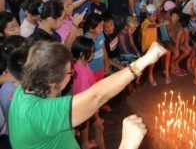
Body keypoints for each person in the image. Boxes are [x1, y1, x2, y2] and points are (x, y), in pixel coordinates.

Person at [8, 40, 167, 149]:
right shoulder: (41, 113)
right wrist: (127, 144)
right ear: (51, 81)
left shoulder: (24, 91)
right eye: (70, 71)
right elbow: (97, 96)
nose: (73, 75)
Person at [71, 37, 105, 149]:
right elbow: (85, 97)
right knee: (99, 127)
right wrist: (95, 107)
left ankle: (85, 143)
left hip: (84, 104)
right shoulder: (82, 75)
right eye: (91, 52)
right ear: (81, 54)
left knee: (86, 124)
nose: (93, 54)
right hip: (86, 105)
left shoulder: (80, 63)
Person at [140, 4, 170, 86]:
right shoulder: (145, 23)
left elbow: (154, 36)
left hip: (154, 46)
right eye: (153, 16)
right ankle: (150, 75)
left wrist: (160, 43)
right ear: (147, 16)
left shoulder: (153, 21)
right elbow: (152, 26)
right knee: (154, 57)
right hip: (147, 48)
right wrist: (163, 23)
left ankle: (166, 72)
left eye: (155, 16)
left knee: (168, 52)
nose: (155, 18)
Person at [83, 13, 108, 82]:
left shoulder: (100, 35)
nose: (102, 29)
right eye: (100, 28)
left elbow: (104, 50)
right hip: (91, 70)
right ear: (91, 29)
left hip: (101, 67)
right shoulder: (86, 39)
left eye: (102, 26)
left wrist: (106, 64)